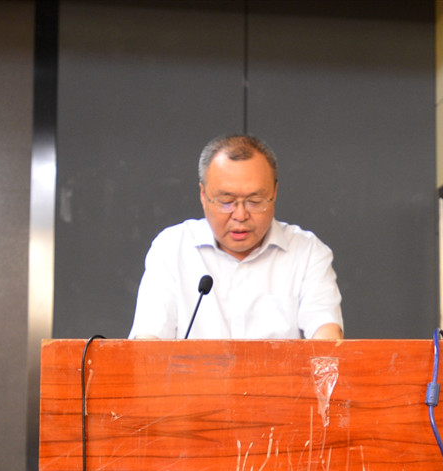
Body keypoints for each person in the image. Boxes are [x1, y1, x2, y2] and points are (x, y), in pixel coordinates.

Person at [129, 134, 343, 340]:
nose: (240, 215)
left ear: (274, 193)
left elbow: (326, 336)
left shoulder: (307, 252)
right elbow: (148, 340)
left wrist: (326, 341)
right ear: (203, 195)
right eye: (226, 202)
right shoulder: (172, 248)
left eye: (255, 201)